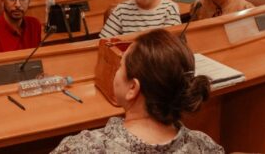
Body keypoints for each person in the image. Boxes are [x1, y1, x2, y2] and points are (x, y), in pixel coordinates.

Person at [52, 28, 225, 153]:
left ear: (132, 88)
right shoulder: (205, 147)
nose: (116, 72)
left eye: (121, 66)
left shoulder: (83, 148)